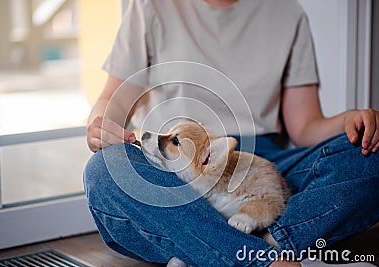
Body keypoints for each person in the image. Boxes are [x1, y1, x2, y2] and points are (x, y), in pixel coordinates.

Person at [84, 0, 379, 266]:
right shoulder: (151, 7)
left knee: (372, 157)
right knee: (103, 171)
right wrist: (102, 124)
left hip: (263, 169)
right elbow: (117, 99)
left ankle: (231, 247)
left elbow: (304, 127)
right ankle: (262, 256)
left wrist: (351, 121)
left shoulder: (287, 13)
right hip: (172, 172)